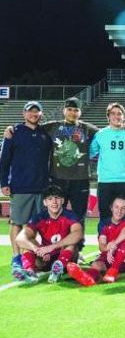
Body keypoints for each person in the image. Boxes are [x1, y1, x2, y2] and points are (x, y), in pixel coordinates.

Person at [3, 97, 98, 235]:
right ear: (64, 111)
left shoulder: (87, 128)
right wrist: (12, 127)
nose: (72, 113)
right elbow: (29, 126)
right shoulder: (51, 126)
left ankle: (76, 251)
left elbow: (108, 132)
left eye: (75, 110)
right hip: (57, 179)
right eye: (69, 109)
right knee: (55, 217)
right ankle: (57, 250)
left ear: (80, 112)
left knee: (79, 218)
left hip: (80, 180)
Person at [0, 100, 52, 276]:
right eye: (30, 112)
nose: (33, 114)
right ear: (24, 114)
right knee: (17, 223)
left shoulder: (45, 133)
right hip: (21, 186)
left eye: (37, 112)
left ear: (41, 114)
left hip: (42, 187)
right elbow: (4, 160)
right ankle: (16, 258)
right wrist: (4, 183)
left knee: (38, 227)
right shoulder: (14, 133)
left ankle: (32, 257)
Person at [13, 185, 83, 284]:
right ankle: (30, 271)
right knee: (28, 242)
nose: (54, 202)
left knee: (71, 243)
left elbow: (78, 234)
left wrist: (52, 247)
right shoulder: (39, 217)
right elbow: (20, 238)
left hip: (66, 257)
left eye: (57, 198)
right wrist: (37, 249)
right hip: (45, 257)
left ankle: (58, 269)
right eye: (50, 199)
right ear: (45, 202)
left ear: (62, 201)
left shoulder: (70, 215)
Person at [67, 196, 125, 285]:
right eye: (116, 207)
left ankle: (113, 271)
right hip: (109, 257)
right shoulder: (104, 223)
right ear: (111, 208)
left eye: (123, 208)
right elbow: (102, 246)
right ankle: (87, 278)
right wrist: (108, 247)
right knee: (96, 265)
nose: (119, 211)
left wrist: (114, 243)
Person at [89, 102, 125, 222]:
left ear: (124, 117)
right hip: (106, 180)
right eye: (113, 113)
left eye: (119, 114)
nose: (116, 116)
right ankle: (104, 241)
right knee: (105, 216)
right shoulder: (100, 135)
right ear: (108, 116)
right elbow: (89, 153)